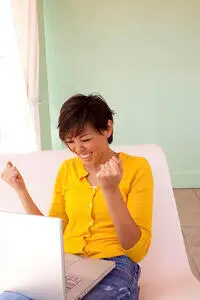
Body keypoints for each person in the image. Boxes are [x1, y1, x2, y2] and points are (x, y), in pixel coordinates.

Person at [0, 94, 153, 300]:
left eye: (86, 139)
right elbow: (52, 234)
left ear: (108, 129)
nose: (78, 149)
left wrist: (111, 190)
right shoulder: (67, 170)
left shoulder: (137, 168)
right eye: (70, 141)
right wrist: (20, 190)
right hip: (66, 263)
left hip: (116, 265)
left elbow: (136, 251)